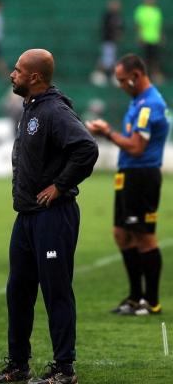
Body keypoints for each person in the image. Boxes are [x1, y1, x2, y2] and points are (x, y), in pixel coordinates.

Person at [0, 49, 98, 384]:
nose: (12, 75)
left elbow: (87, 148)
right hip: (27, 217)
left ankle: (65, 368)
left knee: (56, 290)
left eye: (18, 71)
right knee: (18, 291)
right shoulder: (31, 108)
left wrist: (60, 186)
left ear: (35, 77)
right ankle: (18, 365)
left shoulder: (53, 110)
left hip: (53, 216)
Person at [86, 54, 169, 316]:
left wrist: (107, 132)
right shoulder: (139, 101)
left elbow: (136, 146)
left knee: (144, 236)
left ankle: (151, 301)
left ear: (136, 76)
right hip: (128, 175)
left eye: (122, 80)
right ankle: (135, 297)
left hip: (142, 176)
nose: (120, 85)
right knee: (121, 234)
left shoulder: (149, 105)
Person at [91, 0, 124, 87]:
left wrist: (119, 36)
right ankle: (98, 75)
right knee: (106, 59)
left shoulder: (118, 16)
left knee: (111, 59)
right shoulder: (107, 16)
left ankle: (112, 77)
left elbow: (121, 28)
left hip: (114, 42)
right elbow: (105, 28)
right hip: (107, 40)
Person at [134, 0, 164, 83]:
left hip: (155, 39)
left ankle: (155, 75)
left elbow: (159, 25)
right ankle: (143, 76)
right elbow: (138, 24)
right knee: (144, 58)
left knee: (154, 58)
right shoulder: (141, 10)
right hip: (145, 38)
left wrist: (161, 35)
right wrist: (139, 36)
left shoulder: (156, 11)